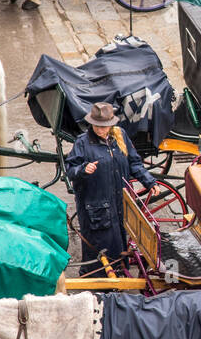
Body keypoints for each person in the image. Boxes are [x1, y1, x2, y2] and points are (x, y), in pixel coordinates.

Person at [65, 102, 160, 277]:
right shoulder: (82, 143)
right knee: (99, 246)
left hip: (119, 202)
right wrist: (83, 169)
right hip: (95, 206)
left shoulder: (120, 136)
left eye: (105, 127)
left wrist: (150, 182)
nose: (101, 130)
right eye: (97, 126)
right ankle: (97, 279)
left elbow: (134, 163)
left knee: (119, 239)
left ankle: (119, 272)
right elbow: (70, 170)